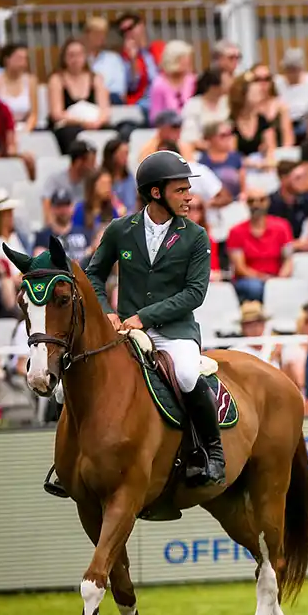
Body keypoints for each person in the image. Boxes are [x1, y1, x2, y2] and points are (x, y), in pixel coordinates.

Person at [82, 150, 224, 488]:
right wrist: (106, 312)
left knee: (188, 375)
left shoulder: (195, 236)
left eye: (188, 189)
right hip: (125, 330)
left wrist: (143, 317)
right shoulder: (120, 230)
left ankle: (212, 451)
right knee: (73, 383)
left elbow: (194, 294)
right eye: (181, 190)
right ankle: (71, 460)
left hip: (174, 330)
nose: (189, 196)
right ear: (156, 193)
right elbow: (93, 276)